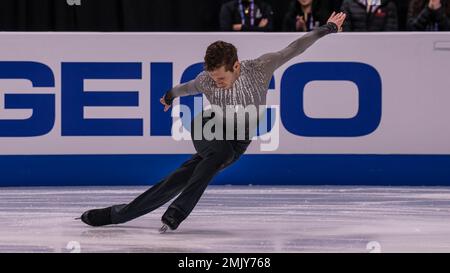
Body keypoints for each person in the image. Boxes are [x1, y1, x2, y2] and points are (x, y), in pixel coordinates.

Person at [79, 12, 347, 233]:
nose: (215, 82)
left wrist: (328, 28)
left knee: (179, 178)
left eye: (221, 78)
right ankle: (176, 214)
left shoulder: (261, 67)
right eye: (213, 78)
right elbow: (185, 88)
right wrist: (169, 96)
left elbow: (295, 47)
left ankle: (117, 215)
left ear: (237, 66)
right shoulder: (206, 79)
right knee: (217, 153)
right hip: (208, 126)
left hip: (239, 140)